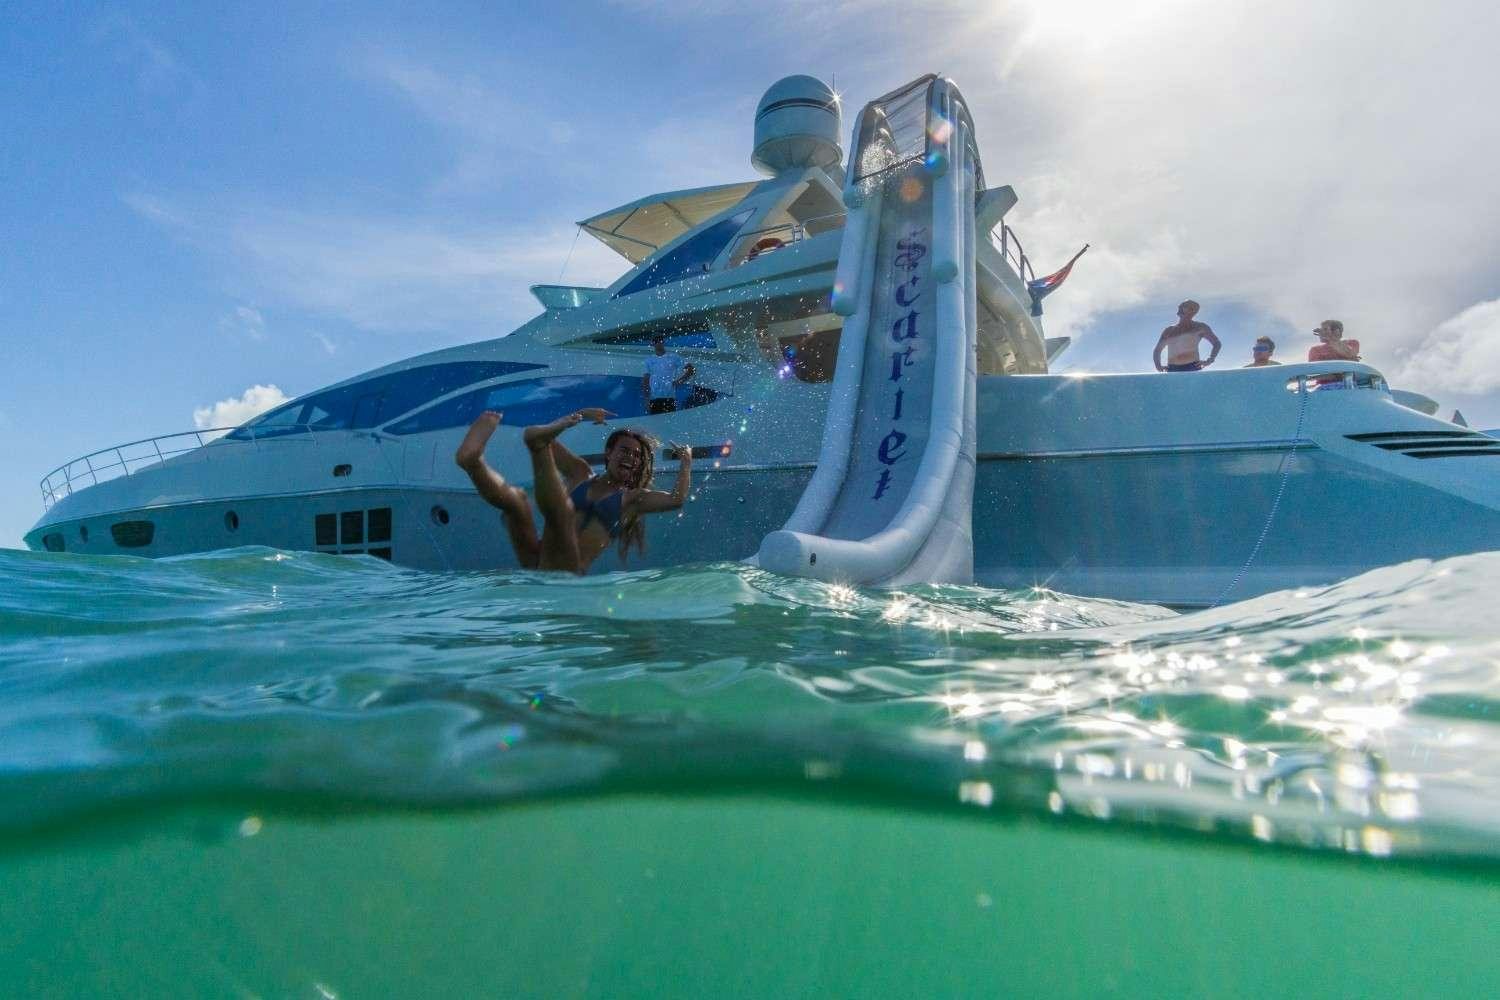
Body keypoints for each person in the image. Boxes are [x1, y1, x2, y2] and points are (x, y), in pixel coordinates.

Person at [454, 408, 692, 574]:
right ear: (609, 453)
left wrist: (686, 463)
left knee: (560, 513)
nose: (632, 458)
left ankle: (504, 456)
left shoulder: (633, 499)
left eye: (638, 456)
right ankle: (473, 462)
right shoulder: (581, 473)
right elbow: (544, 434)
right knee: (518, 500)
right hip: (537, 559)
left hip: (565, 571)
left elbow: (676, 499)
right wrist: (579, 415)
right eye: (625, 451)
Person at [1153, 300, 1222, 372]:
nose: (1180, 307)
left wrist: (1210, 360)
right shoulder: (1169, 330)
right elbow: (1157, 350)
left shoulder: (1200, 327)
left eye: (1184, 306)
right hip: (1173, 368)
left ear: (1193, 311)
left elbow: (1217, 343)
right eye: (1181, 305)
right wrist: (1158, 366)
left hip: (1193, 367)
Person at [642, 335, 695, 414]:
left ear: (663, 341)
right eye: (655, 341)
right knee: (655, 425)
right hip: (654, 399)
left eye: (660, 340)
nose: (658, 343)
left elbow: (691, 369)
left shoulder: (673, 357)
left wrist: (679, 382)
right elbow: (645, 381)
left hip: (669, 399)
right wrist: (646, 400)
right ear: (652, 343)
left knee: (669, 425)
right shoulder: (648, 360)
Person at [1307, 319, 1360, 388]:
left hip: (1350, 385)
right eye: (1321, 330)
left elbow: (1350, 354)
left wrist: (1330, 339)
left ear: (1337, 331)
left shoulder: (1352, 343)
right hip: (1324, 387)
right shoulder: (1315, 350)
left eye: (1325, 329)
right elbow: (1315, 371)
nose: (1321, 333)